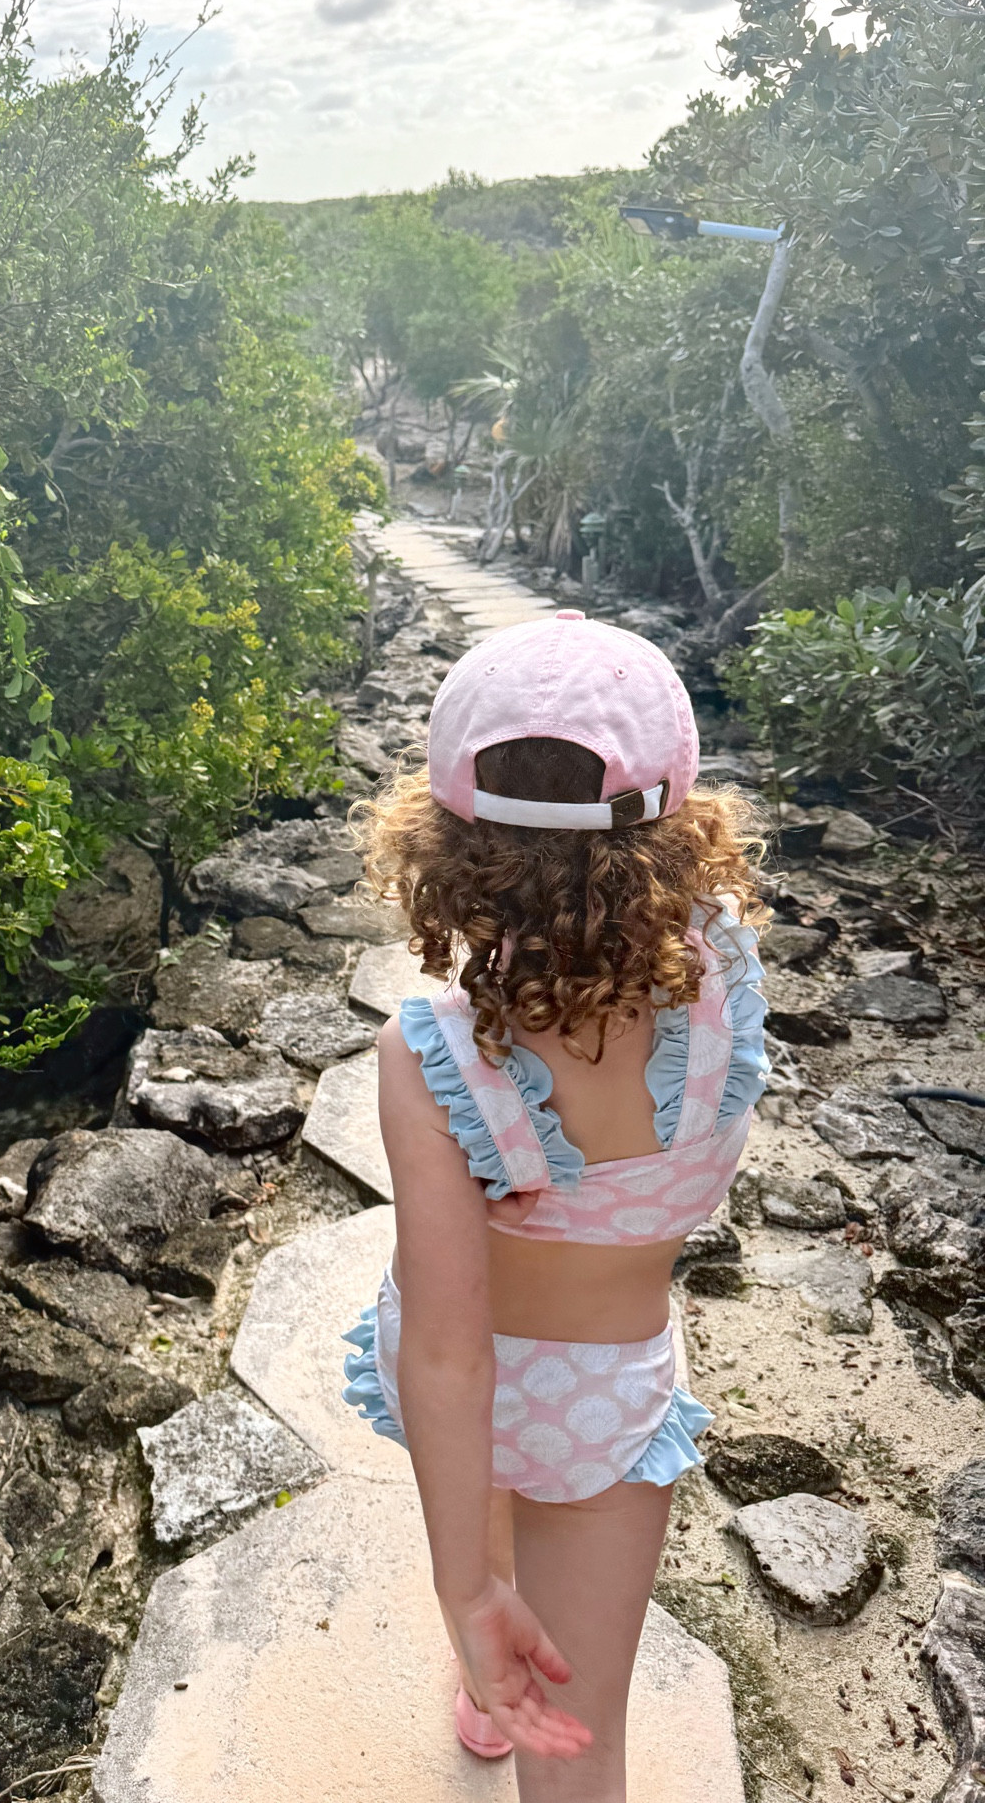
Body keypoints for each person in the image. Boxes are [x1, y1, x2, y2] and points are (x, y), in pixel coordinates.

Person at [341, 609, 767, 1798]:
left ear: (444, 849)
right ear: (682, 831)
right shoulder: (728, 977)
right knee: (583, 1747)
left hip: (475, 1379)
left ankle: (485, 1659)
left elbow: (446, 1348)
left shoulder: (426, 1052)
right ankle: (517, 1701)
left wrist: (463, 1585)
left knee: (486, 1530)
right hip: (609, 1392)